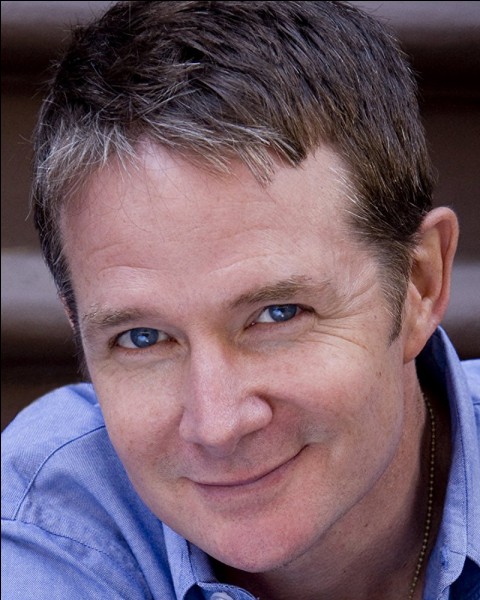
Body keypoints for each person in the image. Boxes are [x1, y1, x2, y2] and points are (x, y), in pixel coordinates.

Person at [1, 1, 479, 598]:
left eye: (277, 315)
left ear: (418, 284)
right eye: (143, 338)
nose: (218, 425)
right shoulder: (49, 525)